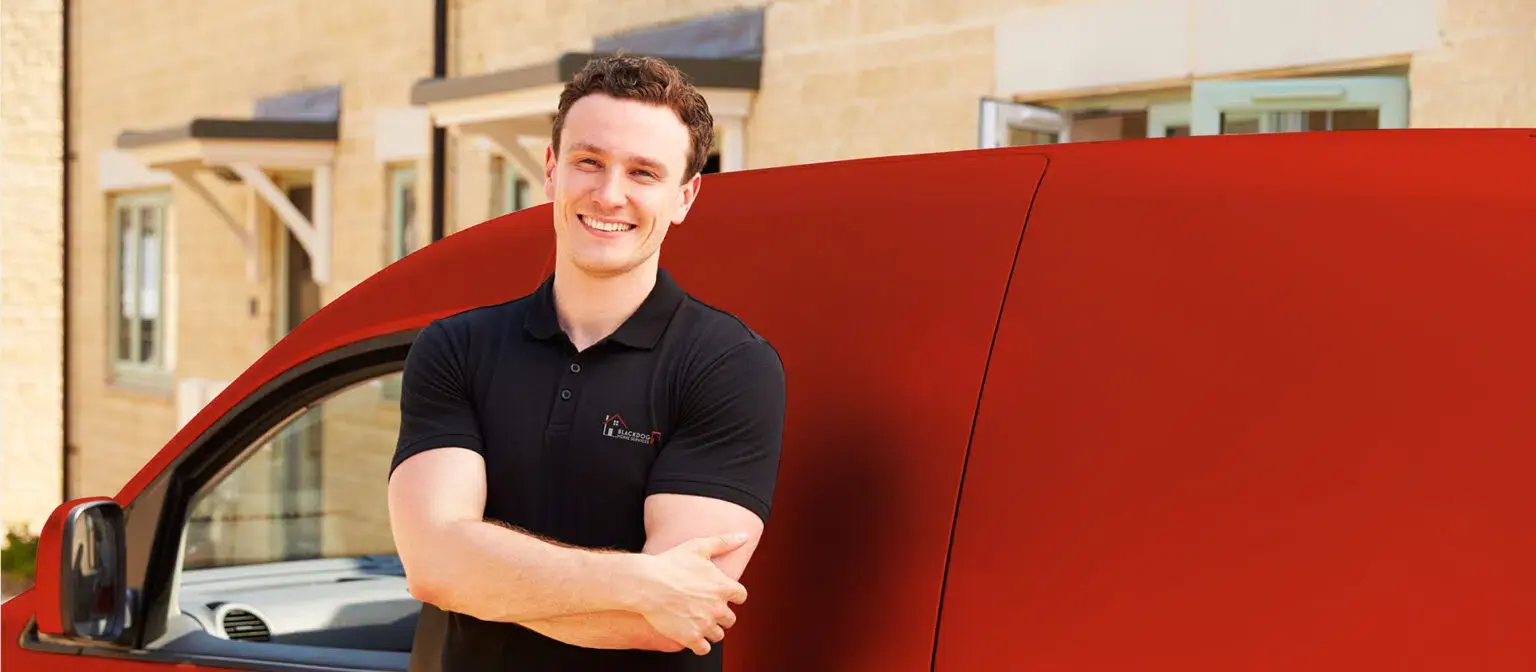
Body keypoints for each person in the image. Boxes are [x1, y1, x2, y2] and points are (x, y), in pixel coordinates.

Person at [386, 53, 788, 672]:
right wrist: (642, 582)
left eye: (643, 172)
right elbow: (434, 568)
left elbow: (672, 621)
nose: (609, 194)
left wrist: (484, 573)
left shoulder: (730, 366)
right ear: (551, 169)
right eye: (588, 162)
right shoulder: (455, 347)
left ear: (685, 195)